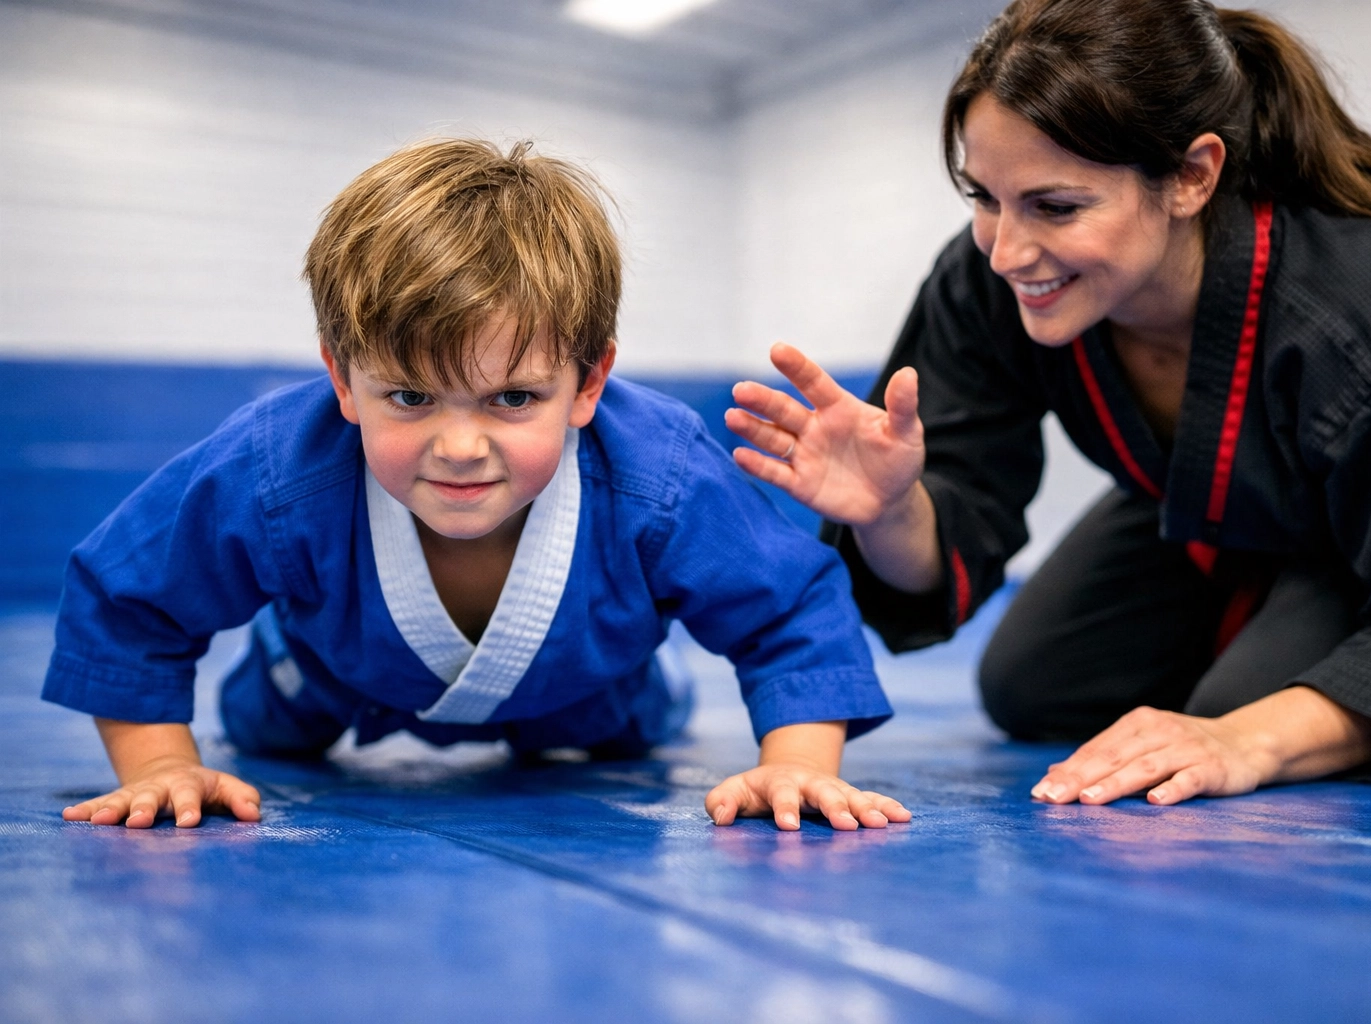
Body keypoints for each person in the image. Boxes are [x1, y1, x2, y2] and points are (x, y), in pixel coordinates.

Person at [726, 0, 1371, 806]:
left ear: (1192, 177)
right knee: (1035, 686)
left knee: (1238, 718)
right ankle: (1282, 629)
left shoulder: (1367, 302)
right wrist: (891, 510)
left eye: (1057, 206)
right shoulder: (984, 280)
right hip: (1258, 505)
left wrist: (1243, 739)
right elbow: (959, 506)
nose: (1008, 252)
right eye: (983, 196)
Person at [44, 139, 909, 833]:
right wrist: (159, 767)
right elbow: (130, 593)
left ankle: (654, 662)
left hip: (587, 682)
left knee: (637, 715)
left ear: (589, 382)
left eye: (514, 398)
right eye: (410, 397)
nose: (460, 446)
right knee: (266, 730)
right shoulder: (277, 466)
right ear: (343, 380)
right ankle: (282, 649)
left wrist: (799, 764)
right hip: (330, 672)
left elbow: (785, 608)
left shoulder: (659, 472)